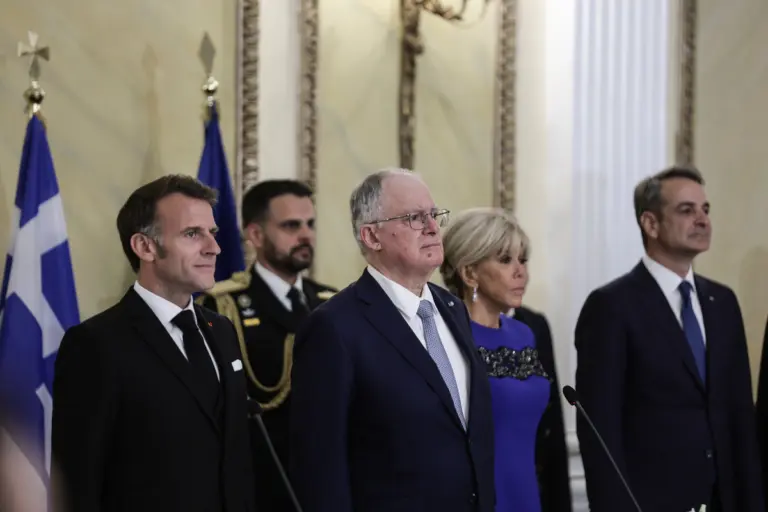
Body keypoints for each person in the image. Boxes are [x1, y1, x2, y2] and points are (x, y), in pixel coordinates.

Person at [289, 169, 495, 512]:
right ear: (372, 236)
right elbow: (319, 465)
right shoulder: (334, 327)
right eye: (415, 218)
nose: (433, 228)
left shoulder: (452, 308)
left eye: (434, 214)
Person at [51, 174, 255, 512]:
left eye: (213, 232)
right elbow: (77, 482)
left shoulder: (221, 329)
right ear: (145, 247)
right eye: (193, 234)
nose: (214, 248)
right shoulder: (96, 344)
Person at [574, 166, 763, 512]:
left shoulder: (722, 302)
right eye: (687, 210)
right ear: (650, 224)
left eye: (705, 210)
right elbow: (600, 429)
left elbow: (739, 415)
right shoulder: (611, 306)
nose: (702, 220)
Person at [200, 179, 336, 511]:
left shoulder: (330, 302)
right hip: (261, 484)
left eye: (310, 224)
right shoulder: (223, 306)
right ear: (256, 235)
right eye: (291, 225)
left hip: (324, 482)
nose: (305, 235)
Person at [440, 207, 571, 512]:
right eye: (504, 260)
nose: (520, 272)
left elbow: (547, 430)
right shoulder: (445, 336)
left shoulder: (525, 333)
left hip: (528, 494)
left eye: (522, 260)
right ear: (469, 273)